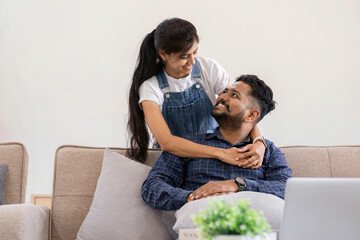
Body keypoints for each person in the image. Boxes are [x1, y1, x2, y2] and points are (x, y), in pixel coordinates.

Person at [128, 18, 266, 168]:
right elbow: (167, 142)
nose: (192, 61)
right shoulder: (151, 87)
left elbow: (238, 111)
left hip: (213, 156)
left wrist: (259, 141)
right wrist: (221, 153)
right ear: (163, 54)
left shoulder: (209, 69)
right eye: (184, 56)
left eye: (195, 52)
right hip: (174, 160)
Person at [142, 75, 292, 211]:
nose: (222, 97)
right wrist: (193, 197)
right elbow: (152, 187)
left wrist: (238, 184)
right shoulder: (188, 145)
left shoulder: (267, 151)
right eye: (224, 92)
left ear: (252, 115)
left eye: (234, 95)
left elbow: (287, 189)